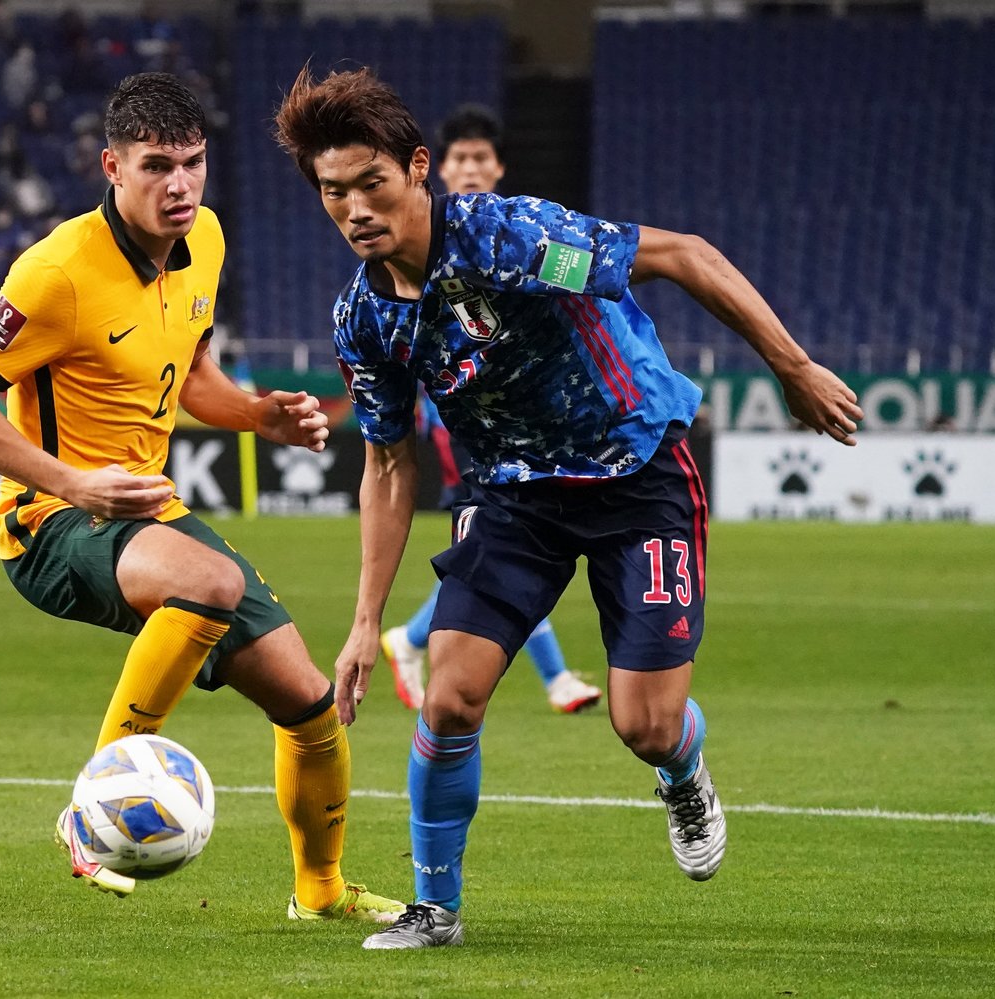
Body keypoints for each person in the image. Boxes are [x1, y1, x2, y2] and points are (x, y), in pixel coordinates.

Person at [274, 68, 863, 949]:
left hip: (636, 472)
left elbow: (684, 255)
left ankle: (684, 769)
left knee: (645, 723)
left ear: (419, 169)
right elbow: (390, 463)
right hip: (513, 498)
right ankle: (436, 908)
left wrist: (794, 365)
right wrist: (365, 623)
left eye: (372, 184)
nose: (355, 208)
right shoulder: (366, 320)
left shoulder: (510, 238)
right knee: (449, 700)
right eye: (333, 192)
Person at [0, 72, 403, 921]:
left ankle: (321, 892)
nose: (180, 185)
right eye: (157, 166)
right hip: (50, 522)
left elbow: (192, 380)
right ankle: (89, 808)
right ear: (112, 166)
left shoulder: (207, 241)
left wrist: (260, 415)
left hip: (147, 513)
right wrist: (73, 482)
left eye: (193, 163)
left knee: (308, 702)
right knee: (211, 584)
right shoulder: (54, 273)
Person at [380, 103, 601, 716]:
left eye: (482, 158)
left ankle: (412, 637)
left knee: (503, 559)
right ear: (436, 169)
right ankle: (556, 680)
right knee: (511, 550)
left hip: (524, 428)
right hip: (469, 432)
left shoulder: (512, 237)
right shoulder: (416, 245)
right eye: (461, 159)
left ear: (499, 167)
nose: (472, 168)